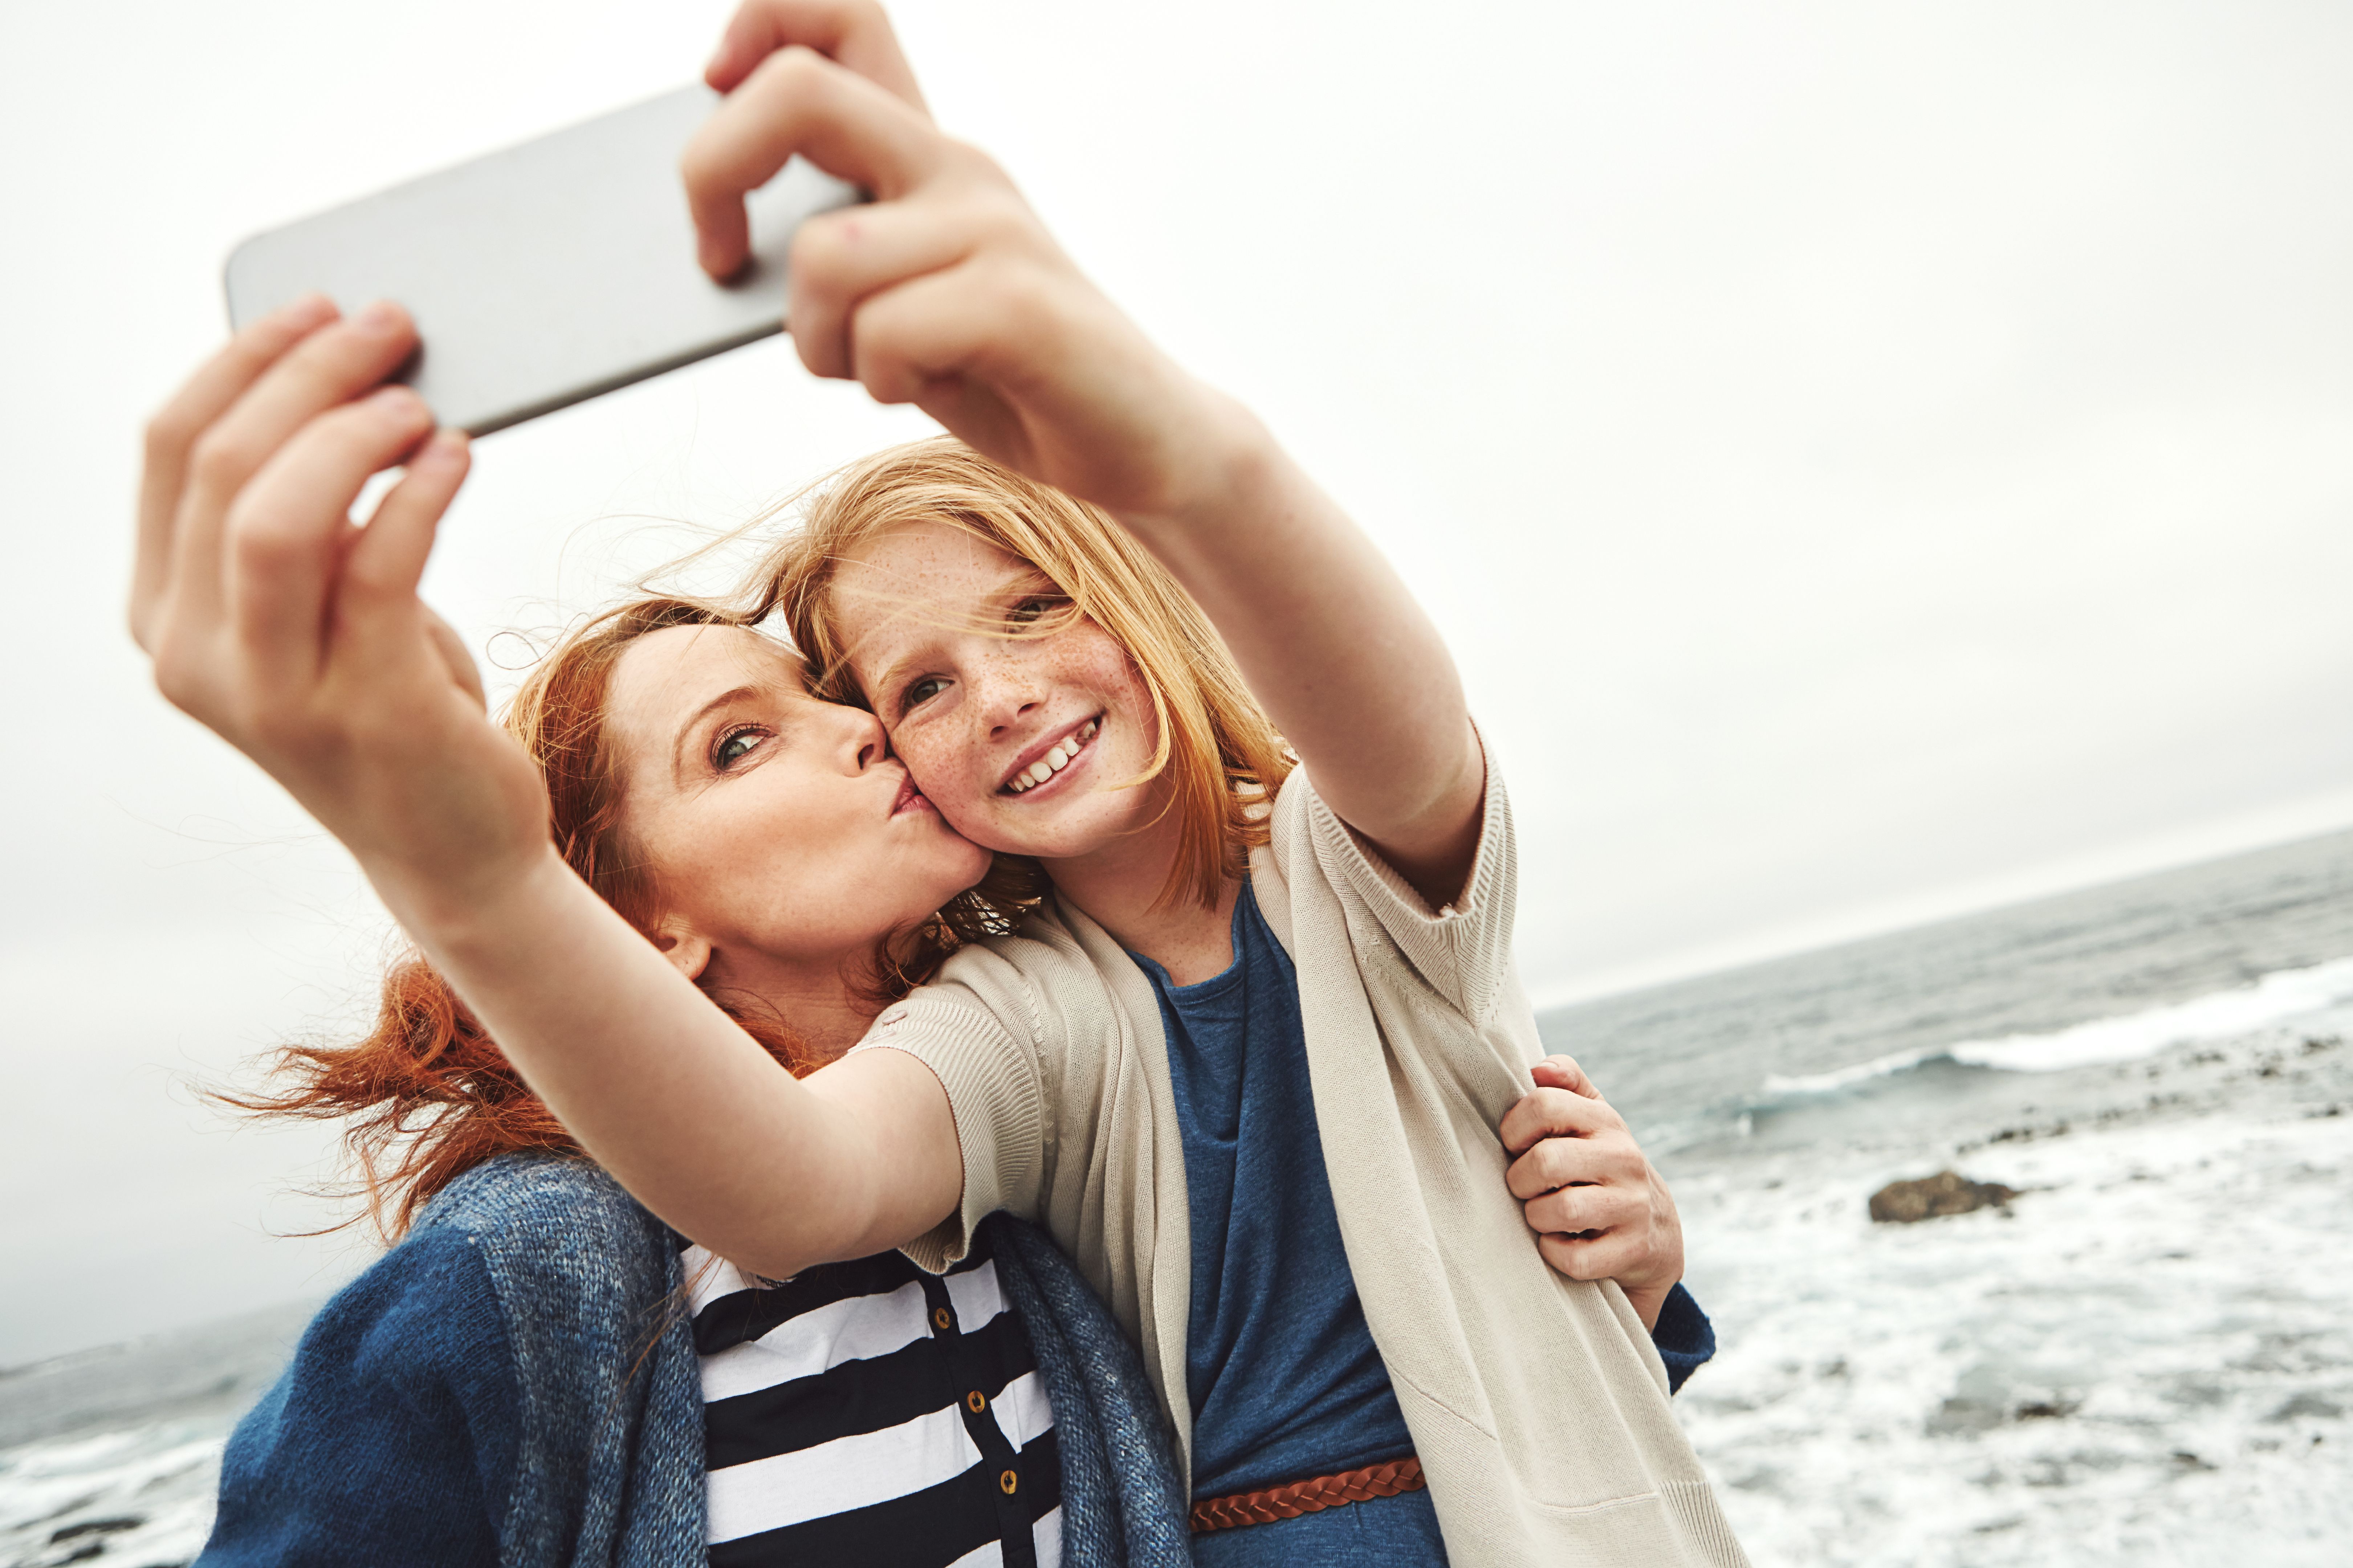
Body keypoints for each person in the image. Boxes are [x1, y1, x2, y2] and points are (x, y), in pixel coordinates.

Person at [131, 1, 1735, 1561]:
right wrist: (477, 878)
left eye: (1036, 606)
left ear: (1132, 599)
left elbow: (1396, 727)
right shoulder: (1017, 1016)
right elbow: (793, 1185)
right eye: (916, 689)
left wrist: (1172, 451)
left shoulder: (1350, 872)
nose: (1004, 692)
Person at [186, 596, 1193, 1568]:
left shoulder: (1007, 1140)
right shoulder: (528, 1260)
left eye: (821, 691)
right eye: (738, 744)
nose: (859, 726)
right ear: (646, 931)